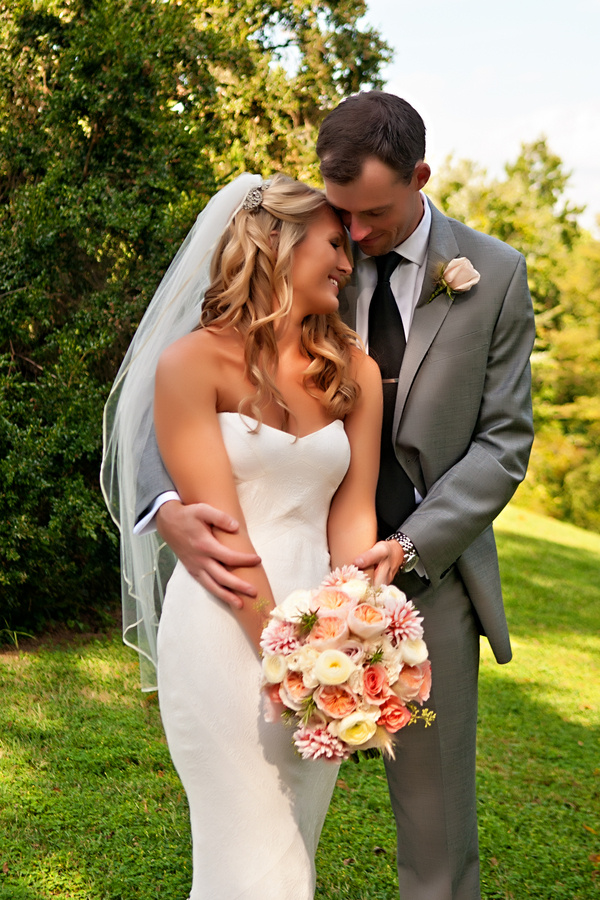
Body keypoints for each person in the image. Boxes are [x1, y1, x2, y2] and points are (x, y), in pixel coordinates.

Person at [134, 93, 536, 900]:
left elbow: (504, 442)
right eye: (338, 219)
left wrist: (395, 565)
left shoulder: (491, 276)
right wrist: (163, 509)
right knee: (255, 840)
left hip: (423, 581)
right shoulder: (283, 284)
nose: (353, 239)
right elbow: (166, 423)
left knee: (435, 829)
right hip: (261, 584)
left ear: (419, 177)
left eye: (370, 215)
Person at [103, 172, 405, 899]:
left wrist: (353, 635)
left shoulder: (355, 372)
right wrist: (290, 656)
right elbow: (219, 529)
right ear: (279, 243)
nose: (347, 263)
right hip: (223, 624)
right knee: (251, 848)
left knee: (294, 841)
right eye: (334, 245)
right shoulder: (191, 364)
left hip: (323, 637)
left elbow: (353, 514)